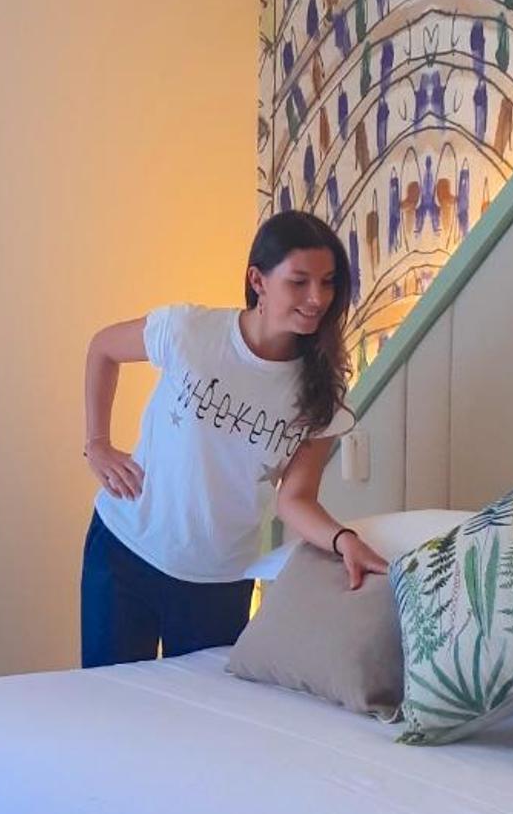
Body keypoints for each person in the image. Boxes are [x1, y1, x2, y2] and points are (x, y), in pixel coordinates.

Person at [79, 211, 387, 668]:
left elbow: (295, 499)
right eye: (299, 282)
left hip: (218, 581)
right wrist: (98, 444)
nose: (317, 298)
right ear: (257, 281)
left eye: (328, 283)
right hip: (124, 553)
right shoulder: (189, 331)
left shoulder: (322, 391)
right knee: (108, 703)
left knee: (202, 711)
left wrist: (344, 540)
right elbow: (103, 348)